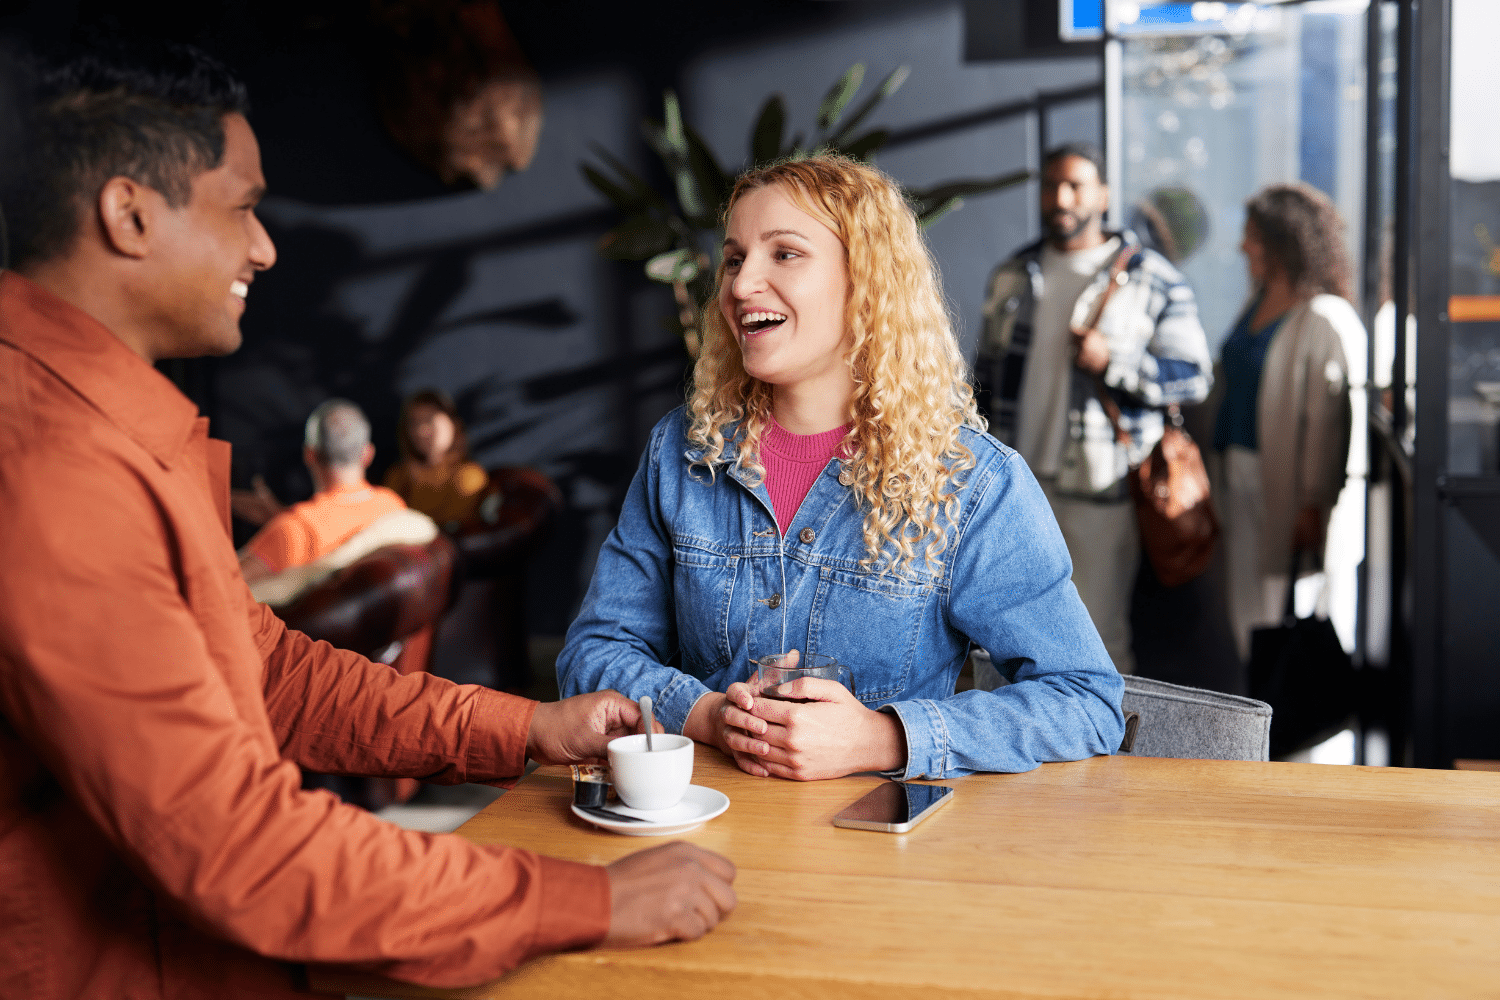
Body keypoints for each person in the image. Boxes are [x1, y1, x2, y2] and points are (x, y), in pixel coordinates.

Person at [0, 40, 734, 1000]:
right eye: (244, 206)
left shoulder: (109, 427)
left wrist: (522, 728)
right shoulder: (52, 468)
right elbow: (236, 845)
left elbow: (265, 674)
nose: (263, 247)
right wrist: (589, 903)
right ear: (130, 214)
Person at [557, 154, 1124, 782]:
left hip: (876, 856)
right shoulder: (682, 454)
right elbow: (594, 651)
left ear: (866, 281)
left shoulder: (970, 482)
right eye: (736, 258)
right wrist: (706, 715)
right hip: (700, 835)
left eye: (785, 254)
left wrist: (882, 739)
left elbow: (1086, 702)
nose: (741, 286)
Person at [974, 143, 1213, 674]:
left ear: (1102, 195)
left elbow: (1193, 375)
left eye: (1076, 185)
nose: (1061, 197)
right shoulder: (1012, 275)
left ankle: (1108, 756)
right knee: (1001, 645)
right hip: (1015, 488)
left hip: (1100, 492)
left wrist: (1116, 362)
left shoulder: (1154, 278)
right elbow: (983, 383)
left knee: (1100, 641)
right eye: (1051, 185)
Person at [1208, 183, 1358, 658]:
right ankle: (1262, 725)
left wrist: (1313, 505)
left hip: (1286, 494)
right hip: (1239, 480)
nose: (1243, 246)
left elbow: (1329, 423)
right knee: (1249, 620)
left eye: (1252, 235)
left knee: (1286, 624)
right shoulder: (1256, 304)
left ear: (1281, 241)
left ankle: (1296, 732)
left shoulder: (1322, 318)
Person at [238, 398, 409, 585]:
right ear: (367, 454)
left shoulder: (294, 531)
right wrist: (280, 515)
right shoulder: (393, 506)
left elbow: (217, 588)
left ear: (309, 455)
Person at [385, 388, 494, 529]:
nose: (421, 430)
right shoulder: (398, 476)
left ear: (453, 423)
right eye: (414, 422)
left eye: (429, 419)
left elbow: (453, 532)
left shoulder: (468, 475)